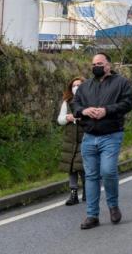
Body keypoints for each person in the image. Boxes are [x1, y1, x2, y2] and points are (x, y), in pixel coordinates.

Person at [71, 53, 132, 229]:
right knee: (90, 176)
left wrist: (107, 110)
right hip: (89, 136)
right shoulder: (85, 86)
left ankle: (113, 206)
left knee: (107, 171)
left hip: (111, 134)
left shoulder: (121, 83)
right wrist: (84, 111)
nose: (96, 66)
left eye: (99, 63)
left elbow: (128, 103)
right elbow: (75, 104)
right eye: (93, 64)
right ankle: (92, 215)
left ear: (108, 65)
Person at [57, 76, 86, 206]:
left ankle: (87, 190)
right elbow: (60, 119)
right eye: (74, 85)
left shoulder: (88, 100)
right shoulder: (67, 102)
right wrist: (68, 118)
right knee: (71, 167)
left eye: (79, 85)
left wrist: (80, 118)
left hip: (84, 137)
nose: (76, 87)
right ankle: (73, 193)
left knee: (82, 166)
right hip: (70, 139)